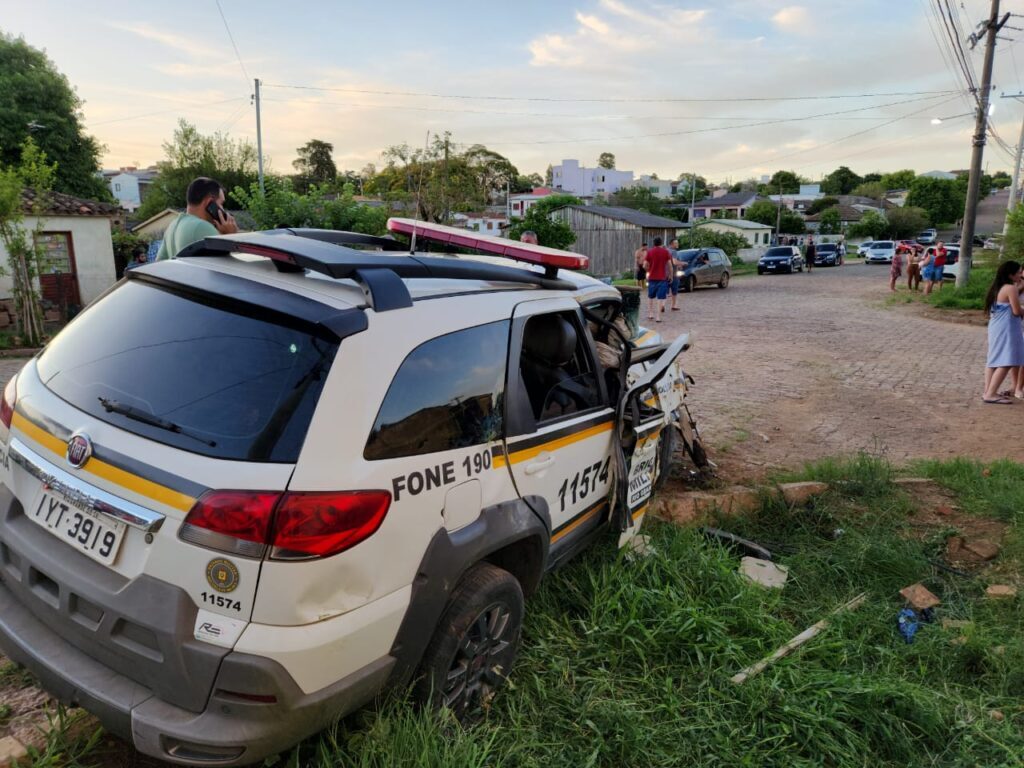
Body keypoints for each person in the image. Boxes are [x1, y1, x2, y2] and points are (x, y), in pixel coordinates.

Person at [155, 177, 238, 261]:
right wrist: (231, 237)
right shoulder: (202, 227)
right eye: (221, 204)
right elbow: (228, 266)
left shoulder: (172, 226)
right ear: (210, 202)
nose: (223, 210)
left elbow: (158, 264)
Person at [982, 260, 1024, 404]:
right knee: (1007, 361)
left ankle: (988, 391)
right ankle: (991, 394)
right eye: (1019, 272)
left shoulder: (997, 287)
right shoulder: (1010, 288)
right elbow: (1017, 311)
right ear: (1011, 275)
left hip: (996, 327)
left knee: (993, 360)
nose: (1021, 275)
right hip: (1007, 328)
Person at [643, 237, 672, 322]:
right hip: (662, 278)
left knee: (650, 296)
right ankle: (658, 317)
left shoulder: (649, 252)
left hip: (652, 278)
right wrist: (670, 275)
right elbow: (669, 265)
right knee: (660, 298)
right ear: (661, 243)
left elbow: (644, 265)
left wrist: (648, 270)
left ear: (654, 243)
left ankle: (650, 314)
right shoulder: (665, 252)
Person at [667, 237, 682, 311]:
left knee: (663, 291)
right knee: (674, 290)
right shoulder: (674, 252)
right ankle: (673, 305)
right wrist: (683, 263)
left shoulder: (666, 250)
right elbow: (675, 262)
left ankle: (662, 305)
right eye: (676, 243)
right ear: (672, 244)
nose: (677, 244)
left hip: (665, 274)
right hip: (673, 273)